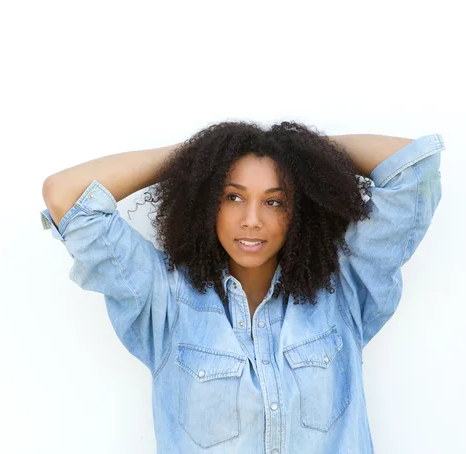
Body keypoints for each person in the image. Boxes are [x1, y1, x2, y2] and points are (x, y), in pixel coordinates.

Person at [40, 120, 444, 454]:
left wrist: (302, 154)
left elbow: (413, 171)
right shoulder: (163, 299)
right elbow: (65, 194)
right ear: (204, 200)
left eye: (274, 201)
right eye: (233, 196)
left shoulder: (345, 290)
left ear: (300, 210)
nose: (252, 219)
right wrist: (197, 156)